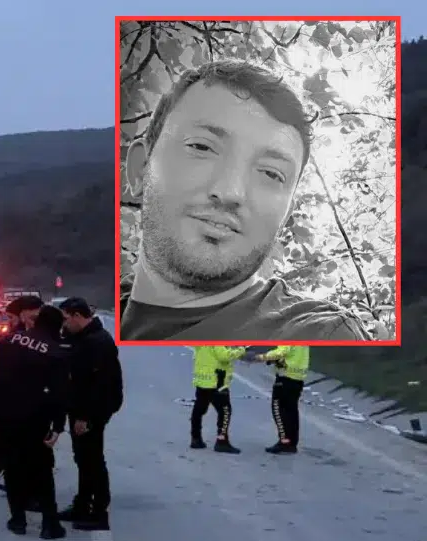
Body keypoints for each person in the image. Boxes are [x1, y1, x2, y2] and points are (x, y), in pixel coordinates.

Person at [118, 59, 370, 342]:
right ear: (140, 169)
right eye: (201, 147)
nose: (230, 192)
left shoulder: (319, 336)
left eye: (272, 174)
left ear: (286, 214)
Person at [0, 304, 70, 540]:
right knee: (41, 467)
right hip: (36, 418)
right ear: (56, 326)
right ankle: (50, 524)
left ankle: (18, 519)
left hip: (6, 415)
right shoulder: (55, 351)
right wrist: (58, 426)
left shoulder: (9, 341)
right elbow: (60, 393)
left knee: (12, 466)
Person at [56, 297, 124, 531]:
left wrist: (84, 417)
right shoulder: (82, 338)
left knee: (92, 459)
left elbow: (98, 385)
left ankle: (98, 511)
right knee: (82, 458)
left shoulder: (97, 342)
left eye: (65, 319)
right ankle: (82, 504)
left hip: (92, 410)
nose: (63, 324)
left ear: (77, 316)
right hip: (81, 407)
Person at [190, 345, 247, 453]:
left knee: (199, 409)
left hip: (202, 381)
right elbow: (224, 356)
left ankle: (195, 439)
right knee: (225, 411)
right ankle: (222, 442)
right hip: (216, 382)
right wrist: (241, 350)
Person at [257, 345, 310, 454]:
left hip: (285, 378)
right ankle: (292, 444)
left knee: (278, 410)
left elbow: (282, 351)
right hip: (298, 379)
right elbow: (292, 355)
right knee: (292, 412)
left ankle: (284, 441)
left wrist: (262, 357)